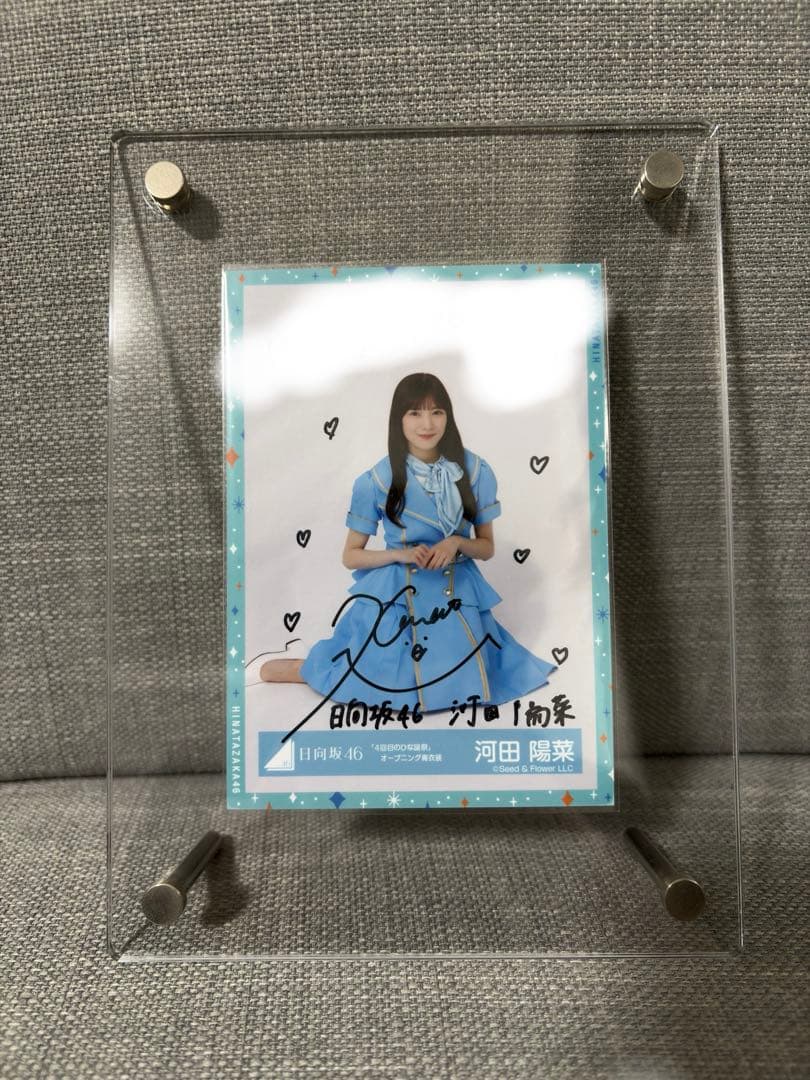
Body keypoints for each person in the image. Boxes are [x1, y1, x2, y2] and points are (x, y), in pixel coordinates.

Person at [260, 372, 556, 713]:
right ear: (398, 419)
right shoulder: (375, 481)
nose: (427, 424)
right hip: (398, 594)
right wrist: (400, 554)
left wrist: (456, 543)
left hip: (457, 592)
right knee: (378, 678)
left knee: (470, 674)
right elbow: (350, 556)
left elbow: (487, 548)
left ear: (448, 416)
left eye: (436, 412)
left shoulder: (476, 471)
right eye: (415, 413)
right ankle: (305, 668)